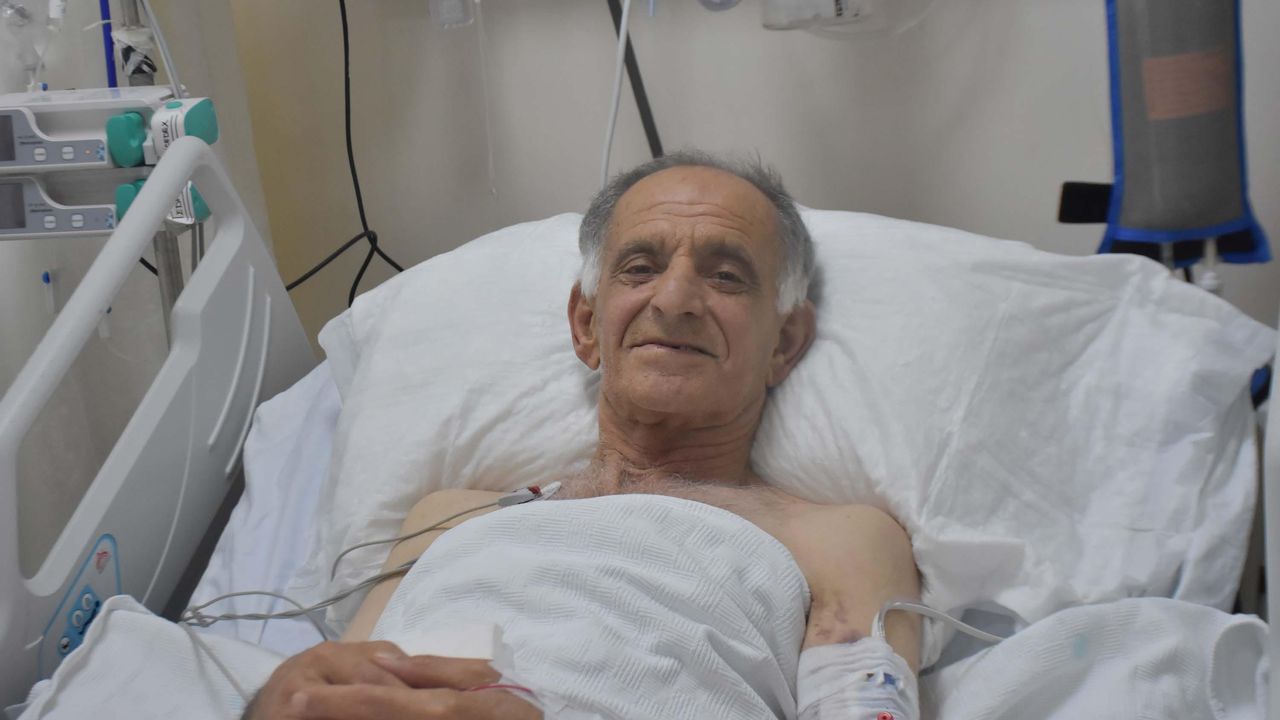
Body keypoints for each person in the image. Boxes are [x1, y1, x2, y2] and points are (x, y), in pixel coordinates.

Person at [246, 152, 921, 720]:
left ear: (785, 343)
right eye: (639, 268)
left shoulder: (835, 540)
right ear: (585, 325)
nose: (674, 301)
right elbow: (341, 690)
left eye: (726, 276)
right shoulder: (447, 518)